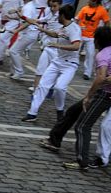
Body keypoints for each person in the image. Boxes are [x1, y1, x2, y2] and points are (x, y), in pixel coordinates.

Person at [22, 4, 81, 122]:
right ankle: (32, 113)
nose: (57, 17)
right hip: (57, 61)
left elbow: (76, 46)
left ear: (62, 15)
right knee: (42, 85)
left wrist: (58, 45)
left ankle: (60, 110)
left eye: (59, 15)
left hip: (70, 64)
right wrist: (42, 29)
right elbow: (55, 34)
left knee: (60, 87)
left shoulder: (74, 29)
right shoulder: (63, 27)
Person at [64, 25, 111, 169]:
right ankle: (102, 159)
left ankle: (82, 161)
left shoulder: (102, 55)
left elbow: (101, 78)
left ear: (97, 41)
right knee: (106, 126)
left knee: (83, 125)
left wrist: (88, 96)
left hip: (105, 94)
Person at [7, 0, 52, 80]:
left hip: (29, 33)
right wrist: (16, 12)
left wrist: (16, 30)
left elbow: (27, 22)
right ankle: (13, 71)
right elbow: (24, 17)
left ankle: (19, 72)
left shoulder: (29, 7)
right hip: (28, 32)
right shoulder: (29, 5)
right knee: (15, 51)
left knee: (13, 51)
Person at [30, 0, 63, 91]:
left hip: (57, 49)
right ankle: (36, 89)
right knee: (40, 68)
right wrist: (22, 16)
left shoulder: (63, 17)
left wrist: (43, 30)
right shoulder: (50, 14)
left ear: (60, 5)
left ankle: (51, 88)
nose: (52, 8)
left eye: (54, 6)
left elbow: (55, 34)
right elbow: (38, 20)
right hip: (47, 46)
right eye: (51, 6)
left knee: (54, 71)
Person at [76, 0, 110, 79]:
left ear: (95, 1)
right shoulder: (85, 8)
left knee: (90, 54)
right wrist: (77, 28)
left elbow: (107, 21)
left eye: (91, 0)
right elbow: (77, 19)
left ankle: (87, 73)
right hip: (80, 34)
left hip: (91, 36)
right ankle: (72, 66)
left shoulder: (102, 10)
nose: (88, 1)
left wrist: (103, 32)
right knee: (75, 51)